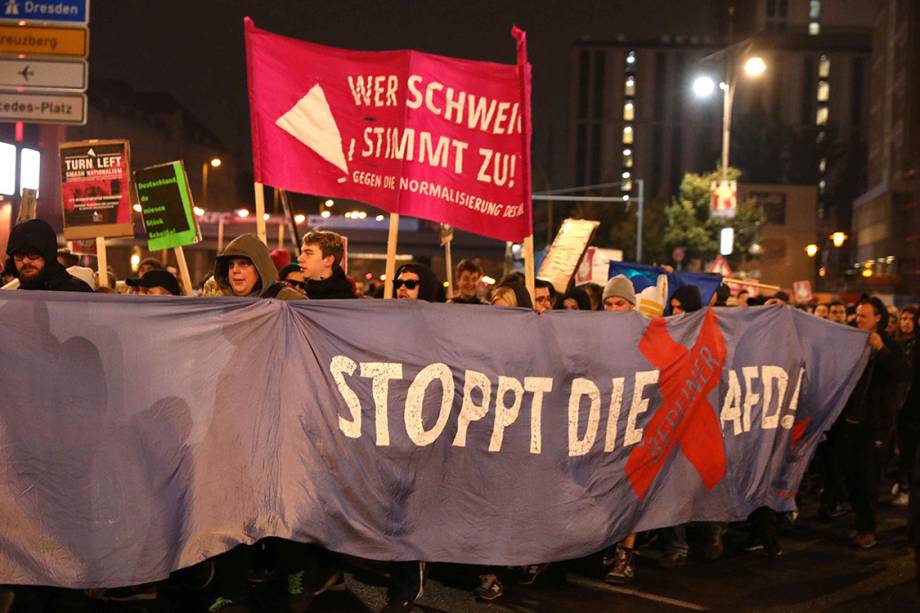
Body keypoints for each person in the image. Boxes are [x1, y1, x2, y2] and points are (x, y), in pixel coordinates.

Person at [837, 297, 910, 549]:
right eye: (857, 315)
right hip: (850, 421)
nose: (859, 319)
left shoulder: (890, 344)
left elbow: (903, 372)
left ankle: (867, 529)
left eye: (864, 315)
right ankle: (860, 521)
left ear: (878, 317)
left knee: (869, 477)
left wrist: (882, 350)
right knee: (851, 475)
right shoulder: (851, 342)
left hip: (876, 424)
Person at [5, 219, 92, 292]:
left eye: (32, 254)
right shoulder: (16, 299)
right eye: (19, 255)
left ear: (48, 255)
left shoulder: (77, 293)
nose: (25, 261)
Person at [214, 234, 303, 300]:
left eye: (243, 264)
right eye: (231, 265)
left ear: (260, 269)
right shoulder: (220, 303)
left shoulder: (287, 300)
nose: (235, 270)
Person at [893, 305, 919, 507]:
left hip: (912, 407)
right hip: (894, 405)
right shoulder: (895, 344)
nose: (907, 323)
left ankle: (905, 486)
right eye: (904, 319)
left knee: (908, 450)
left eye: (911, 319)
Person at [296, 230, 355, 299]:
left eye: (308, 253)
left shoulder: (346, 303)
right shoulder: (299, 294)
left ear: (328, 260)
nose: (299, 259)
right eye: (302, 253)